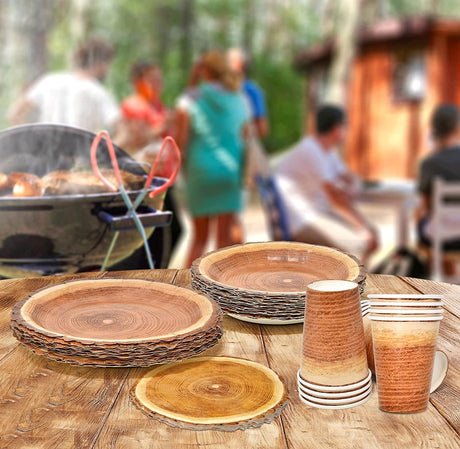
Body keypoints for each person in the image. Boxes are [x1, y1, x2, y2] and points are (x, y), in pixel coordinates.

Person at [275, 104, 378, 262]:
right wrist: (363, 226)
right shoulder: (311, 150)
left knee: (367, 239)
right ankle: (351, 278)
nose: (347, 131)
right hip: (301, 221)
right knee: (361, 244)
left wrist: (352, 185)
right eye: (346, 126)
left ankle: (350, 277)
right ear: (336, 129)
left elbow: (347, 177)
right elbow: (335, 198)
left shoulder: (327, 150)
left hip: (314, 214)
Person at [175, 50, 250, 267]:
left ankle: (188, 285)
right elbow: (245, 136)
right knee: (223, 242)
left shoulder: (191, 98)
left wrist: (192, 80)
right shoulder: (239, 98)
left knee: (199, 239)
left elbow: (181, 140)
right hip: (229, 173)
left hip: (200, 173)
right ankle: (221, 287)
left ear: (203, 70)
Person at [8, 38, 119, 133]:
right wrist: (105, 150)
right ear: (101, 64)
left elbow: (15, 114)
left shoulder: (49, 81)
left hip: (46, 148)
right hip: (81, 150)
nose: (108, 70)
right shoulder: (97, 91)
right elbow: (121, 129)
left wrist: (29, 143)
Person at [417, 104, 460, 260]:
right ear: (456, 127)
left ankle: (435, 268)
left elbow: (427, 207)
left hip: (442, 237)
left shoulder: (429, 164)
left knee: (423, 220)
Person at [227, 47, 270, 185]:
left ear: (240, 64)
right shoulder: (254, 91)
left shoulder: (219, 91)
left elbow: (263, 129)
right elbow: (262, 129)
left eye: (228, 60)